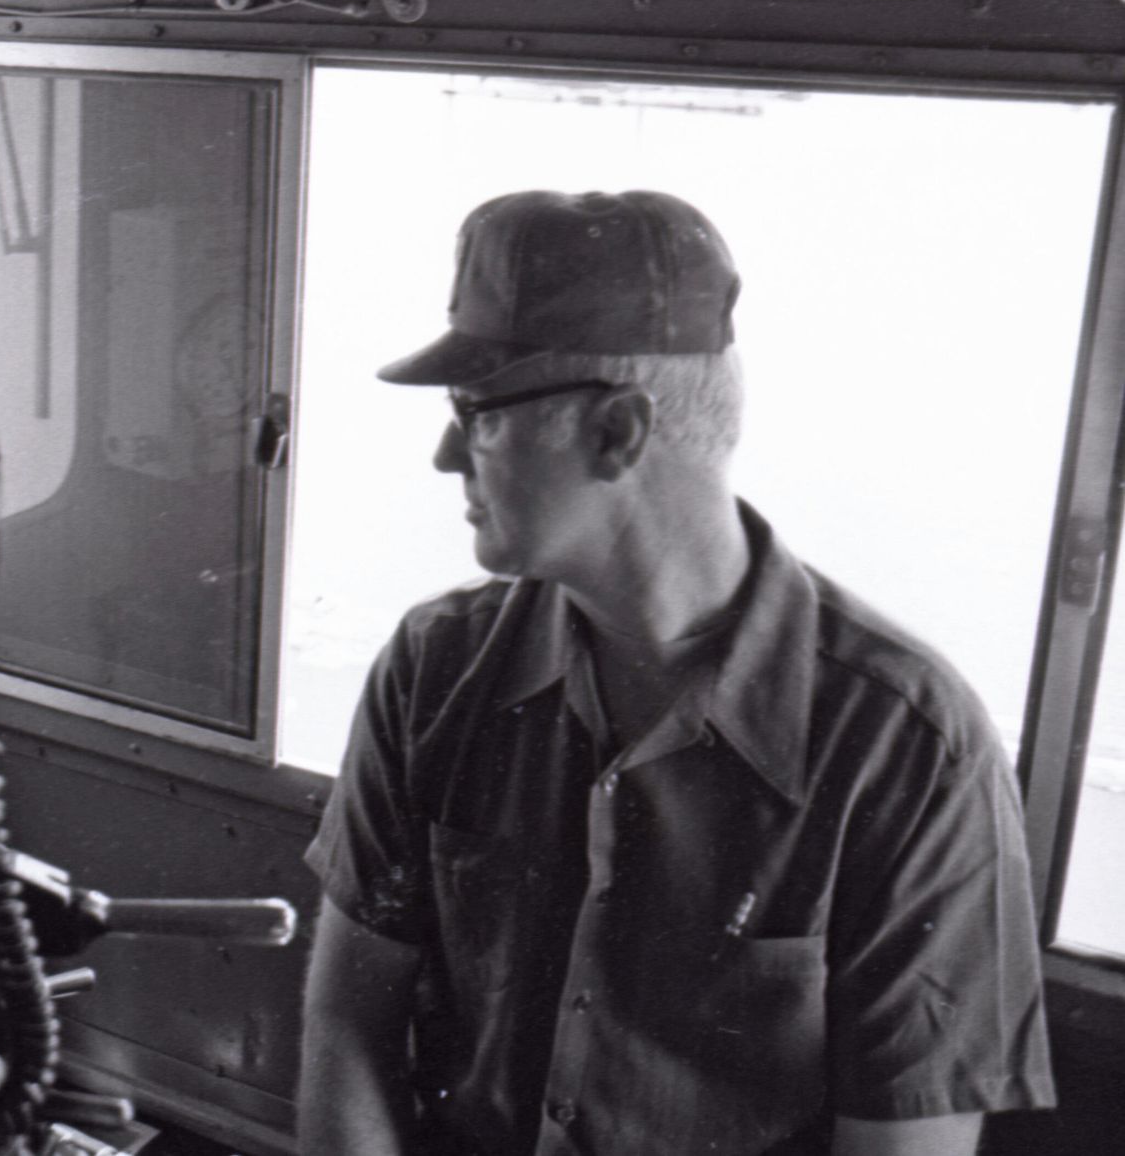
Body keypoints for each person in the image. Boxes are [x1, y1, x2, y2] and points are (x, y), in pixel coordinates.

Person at [297, 190, 1054, 1156]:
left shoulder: (907, 747)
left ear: (618, 432)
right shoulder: (433, 667)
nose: (446, 454)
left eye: (475, 412)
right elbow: (349, 1025)